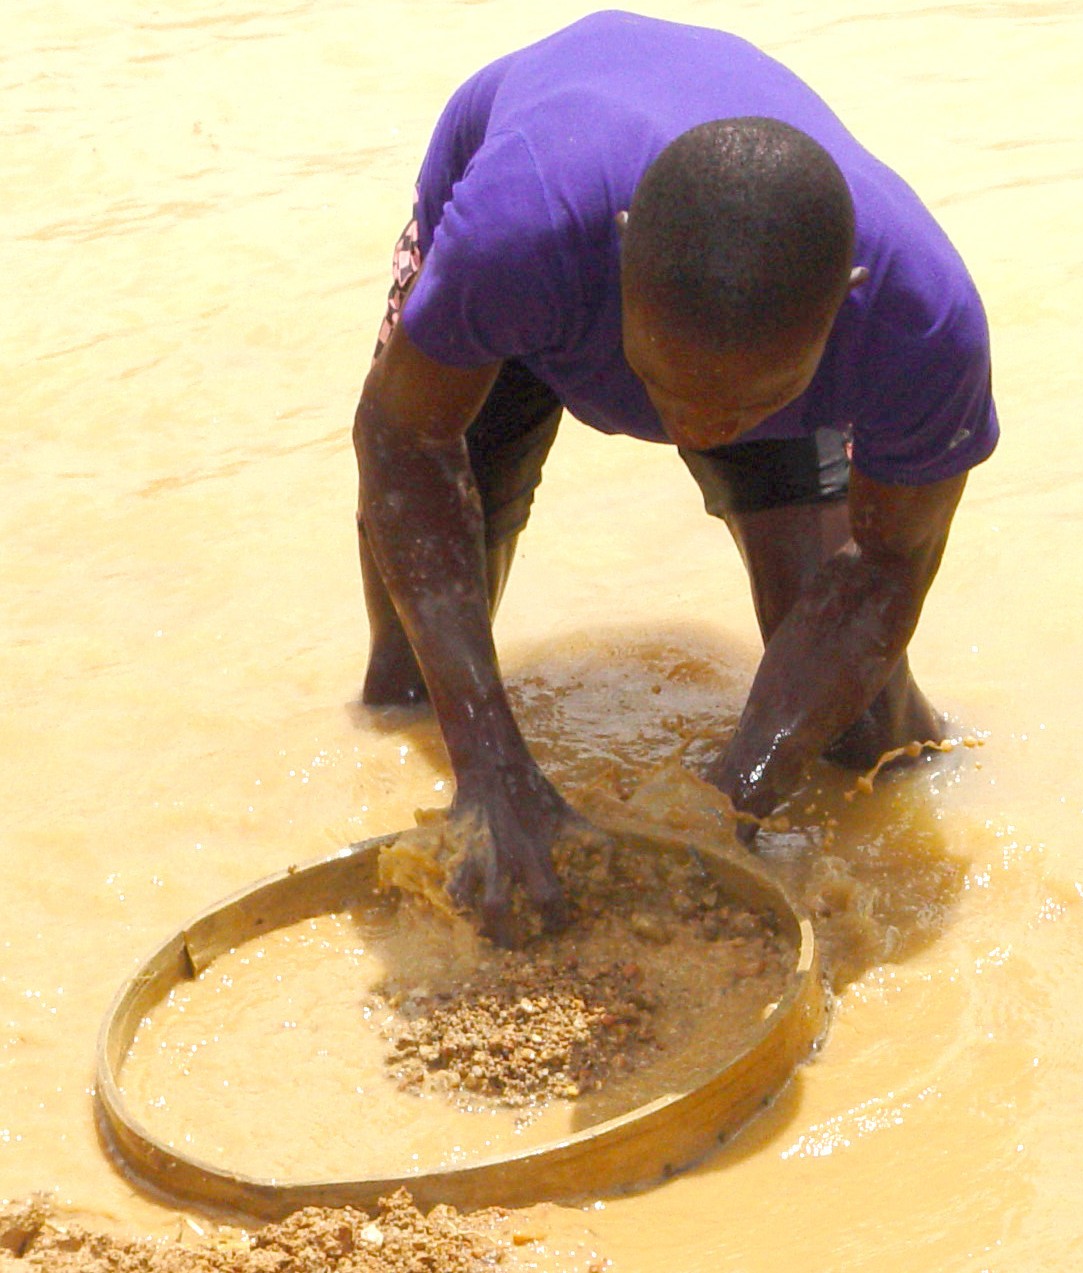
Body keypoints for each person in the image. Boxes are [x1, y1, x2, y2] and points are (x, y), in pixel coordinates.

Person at [352, 11, 998, 943]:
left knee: (866, 722)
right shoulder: (514, 241)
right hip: (545, 257)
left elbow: (889, 564)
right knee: (413, 677)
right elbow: (399, 440)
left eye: (733, 414)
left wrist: (725, 808)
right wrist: (488, 767)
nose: (689, 430)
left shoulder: (920, 326)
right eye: (664, 389)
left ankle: (933, 770)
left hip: (745, 315)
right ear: (619, 262)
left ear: (841, 312)